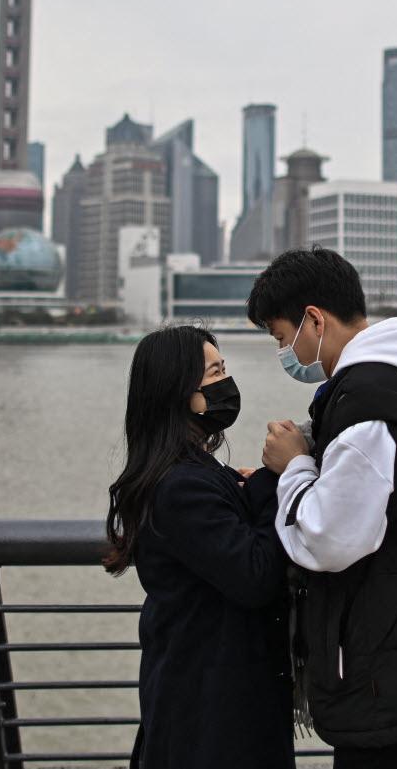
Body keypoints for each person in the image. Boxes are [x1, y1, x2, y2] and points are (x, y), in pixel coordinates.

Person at [249, 248, 397, 769]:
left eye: (283, 338)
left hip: (394, 688)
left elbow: (328, 539)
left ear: (314, 319)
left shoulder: (366, 405)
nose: (285, 353)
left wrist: (294, 468)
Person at [104, 325, 295, 769]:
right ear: (179, 391)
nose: (226, 382)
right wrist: (277, 478)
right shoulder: (181, 485)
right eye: (214, 372)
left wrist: (251, 488)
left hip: (210, 691)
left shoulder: (189, 472)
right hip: (211, 706)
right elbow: (254, 576)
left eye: (224, 368)